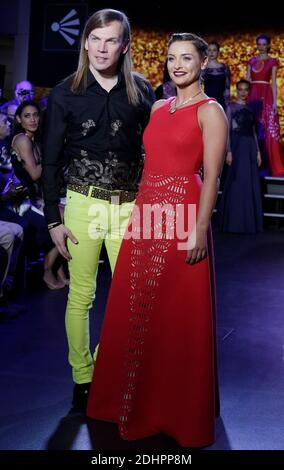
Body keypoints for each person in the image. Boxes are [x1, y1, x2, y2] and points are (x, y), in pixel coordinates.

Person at [87, 32, 228, 448]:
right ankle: (127, 402)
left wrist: (200, 228)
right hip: (147, 214)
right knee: (135, 306)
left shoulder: (211, 111)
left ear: (204, 63)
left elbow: (212, 177)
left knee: (174, 315)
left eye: (187, 58)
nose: (177, 65)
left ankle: (174, 411)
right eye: (171, 58)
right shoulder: (159, 107)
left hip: (184, 215)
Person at [42, 9, 155, 411]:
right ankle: (83, 377)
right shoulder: (63, 93)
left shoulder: (142, 92)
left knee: (131, 297)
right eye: (95, 39)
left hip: (129, 208)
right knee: (81, 297)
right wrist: (52, 219)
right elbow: (50, 159)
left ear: (124, 46)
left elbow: (152, 155)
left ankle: (107, 365)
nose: (102, 48)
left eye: (111, 40)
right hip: (81, 204)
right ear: (85, 42)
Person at [11, 100, 66, 289]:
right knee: (64, 218)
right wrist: (53, 155)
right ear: (19, 119)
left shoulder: (34, 140)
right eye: (27, 116)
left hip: (33, 198)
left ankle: (56, 268)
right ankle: (48, 270)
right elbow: (34, 174)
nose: (33, 119)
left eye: (35, 115)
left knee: (69, 213)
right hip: (19, 204)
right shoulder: (22, 139)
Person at [219, 79, 263, 233]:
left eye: (246, 90)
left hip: (250, 147)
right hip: (236, 147)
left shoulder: (250, 110)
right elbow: (226, 132)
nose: (243, 93)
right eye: (240, 90)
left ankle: (248, 223)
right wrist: (228, 151)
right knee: (236, 181)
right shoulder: (230, 107)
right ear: (236, 90)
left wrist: (258, 151)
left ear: (248, 92)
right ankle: (234, 222)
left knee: (249, 182)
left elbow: (253, 132)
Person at [247, 34, 284, 176]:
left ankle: (272, 163)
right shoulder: (251, 61)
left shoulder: (272, 62)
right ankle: (253, 163)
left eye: (264, 44)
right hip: (253, 95)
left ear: (268, 46)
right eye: (259, 44)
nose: (261, 47)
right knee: (254, 127)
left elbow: (274, 83)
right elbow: (247, 81)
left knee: (268, 128)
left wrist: (275, 102)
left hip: (266, 95)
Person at [203, 41, 230, 110]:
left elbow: (227, 87)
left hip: (221, 100)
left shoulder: (224, 68)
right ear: (206, 52)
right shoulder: (203, 68)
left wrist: (227, 102)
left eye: (214, 50)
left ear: (218, 52)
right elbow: (198, 86)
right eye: (209, 50)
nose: (211, 53)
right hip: (207, 100)